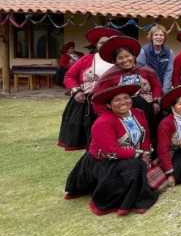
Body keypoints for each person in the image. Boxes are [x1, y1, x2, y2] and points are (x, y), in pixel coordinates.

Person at [64, 83, 158, 216]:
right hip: (105, 161)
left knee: (146, 163)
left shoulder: (138, 113)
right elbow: (112, 151)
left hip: (131, 154)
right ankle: (127, 200)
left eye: (126, 98)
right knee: (134, 166)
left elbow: (145, 135)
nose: (123, 102)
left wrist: (146, 153)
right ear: (108, 105)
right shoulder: (103, 122)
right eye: (117, 100)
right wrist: (139, 154)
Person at [58, 26, 121, 151]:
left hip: (114, 104)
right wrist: (76, 91)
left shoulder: (119, 60)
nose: (105, 45)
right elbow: (69, 76)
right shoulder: (86, 60)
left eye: (108, 42)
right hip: (87, 105)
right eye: (102, 42)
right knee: (90, 137)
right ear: (96, 45)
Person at [92, 36, 163, 140]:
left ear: (134, 56)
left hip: (148, 109)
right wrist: (106, 114)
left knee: (151, 137)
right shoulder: (110, 75)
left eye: (127, 56)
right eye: (120, 58)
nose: (125, 60)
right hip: (122, 112)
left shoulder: (145, 70)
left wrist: (156, 100)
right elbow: (99, 96)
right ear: (115, 60)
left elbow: (156, 85)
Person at [137, 24, 174, 93]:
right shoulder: (143, 51)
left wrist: (165, 91)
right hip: (147, 88)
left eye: (161, 35)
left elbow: (168, 72)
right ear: (151, 37)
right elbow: (141, 73)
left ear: (164, 37)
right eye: (156, 35)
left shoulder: (169, 52)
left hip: (163, 86)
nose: (158, 37)